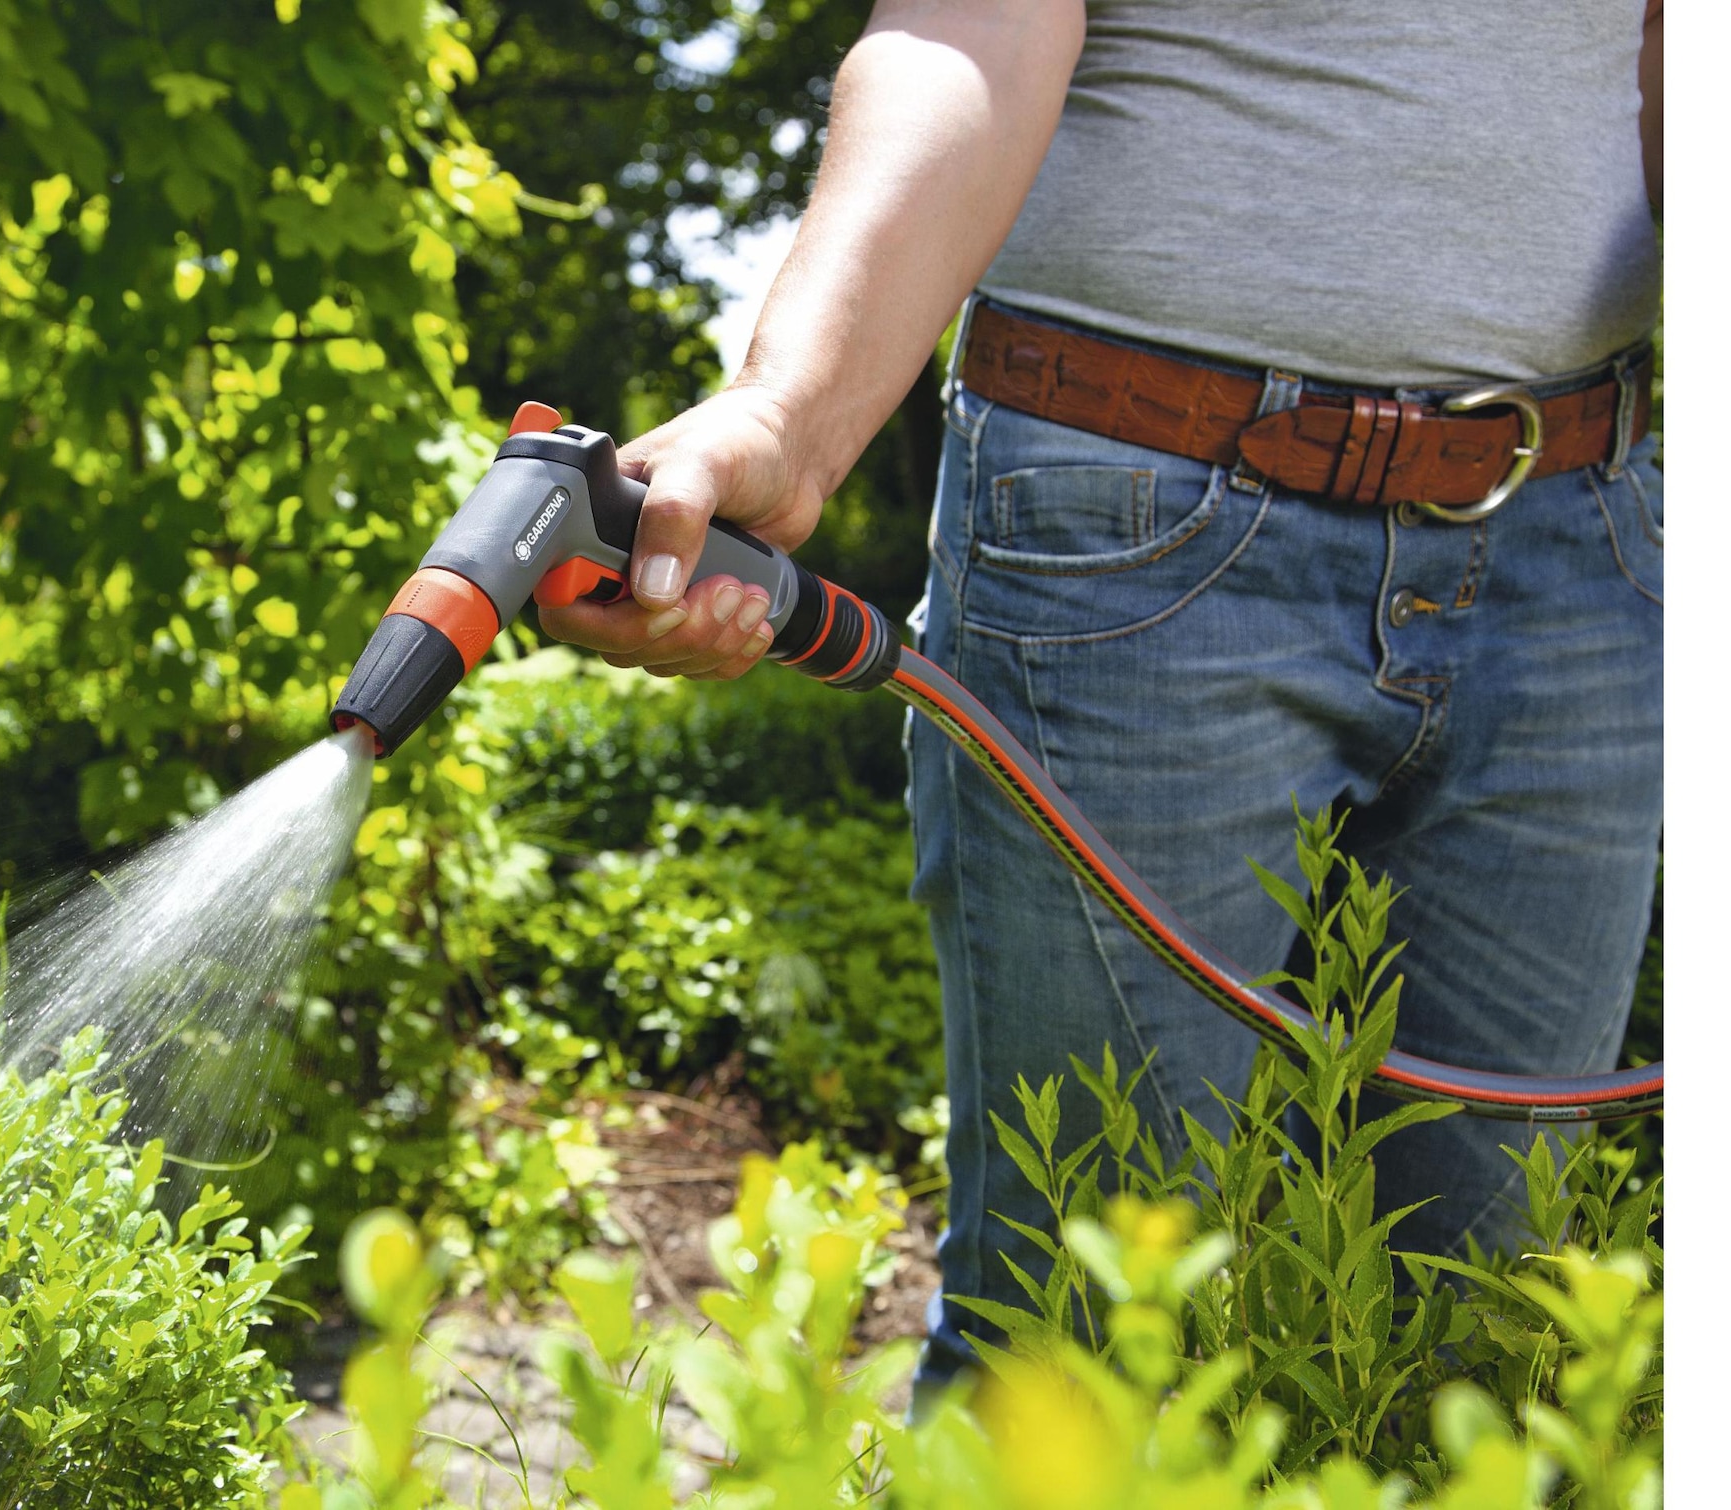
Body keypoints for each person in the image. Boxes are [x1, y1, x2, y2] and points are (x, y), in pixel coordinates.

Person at [537, 0, 1664, 1390]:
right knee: (1077, 1343)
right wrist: (789, 412)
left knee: (1500, 1340)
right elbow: (970, 37)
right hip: (1142, 523)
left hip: (1582, 534)